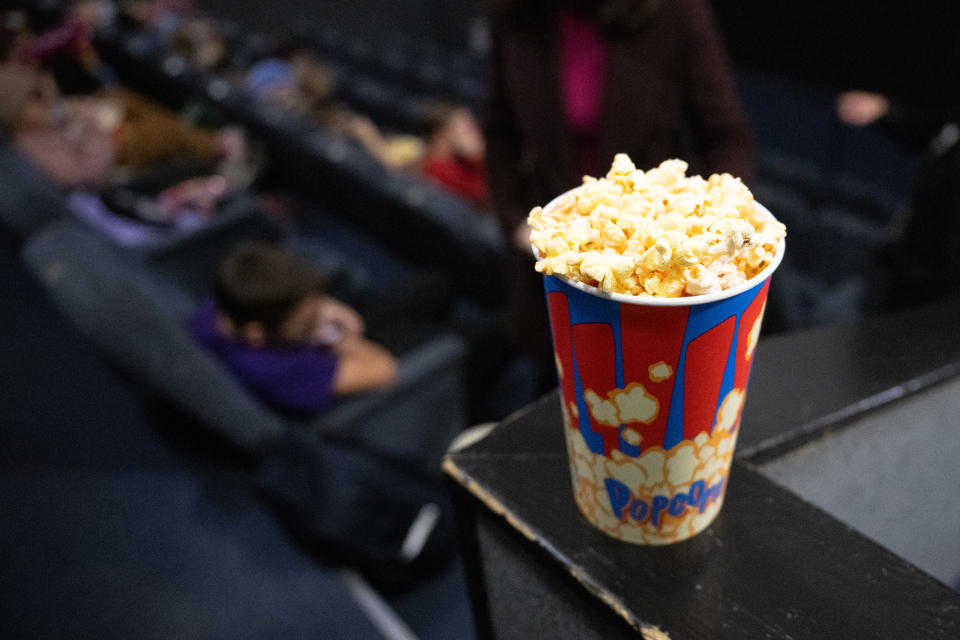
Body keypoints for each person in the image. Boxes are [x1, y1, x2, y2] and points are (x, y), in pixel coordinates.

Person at [484, 0, 756, 389]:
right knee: (564, 400)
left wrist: (717, 221)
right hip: (554, 275)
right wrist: (514, 222)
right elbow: (500, 133)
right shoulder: (514, 16)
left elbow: (727, 136)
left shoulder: (677, 12)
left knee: (655, 404)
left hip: (656, 277)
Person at [191, 241, 398, 416]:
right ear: (255, 332)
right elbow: (385, 370)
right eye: (306, 320)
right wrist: (340, 339)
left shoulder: (221, 308)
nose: (318, 317)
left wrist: (321, 309)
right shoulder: (279, 371)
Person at [836, 88, 960, 309]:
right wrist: (885, 110)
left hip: (929, 289)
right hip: (900, 263)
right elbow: (929, 126)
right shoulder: (948, 119)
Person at [420, 101, 488, 207]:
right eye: (468, 130)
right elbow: (485, 195)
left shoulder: (462, 164)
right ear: (442, 134)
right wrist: (480, 155)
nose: (477, 135)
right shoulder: (437, 170)